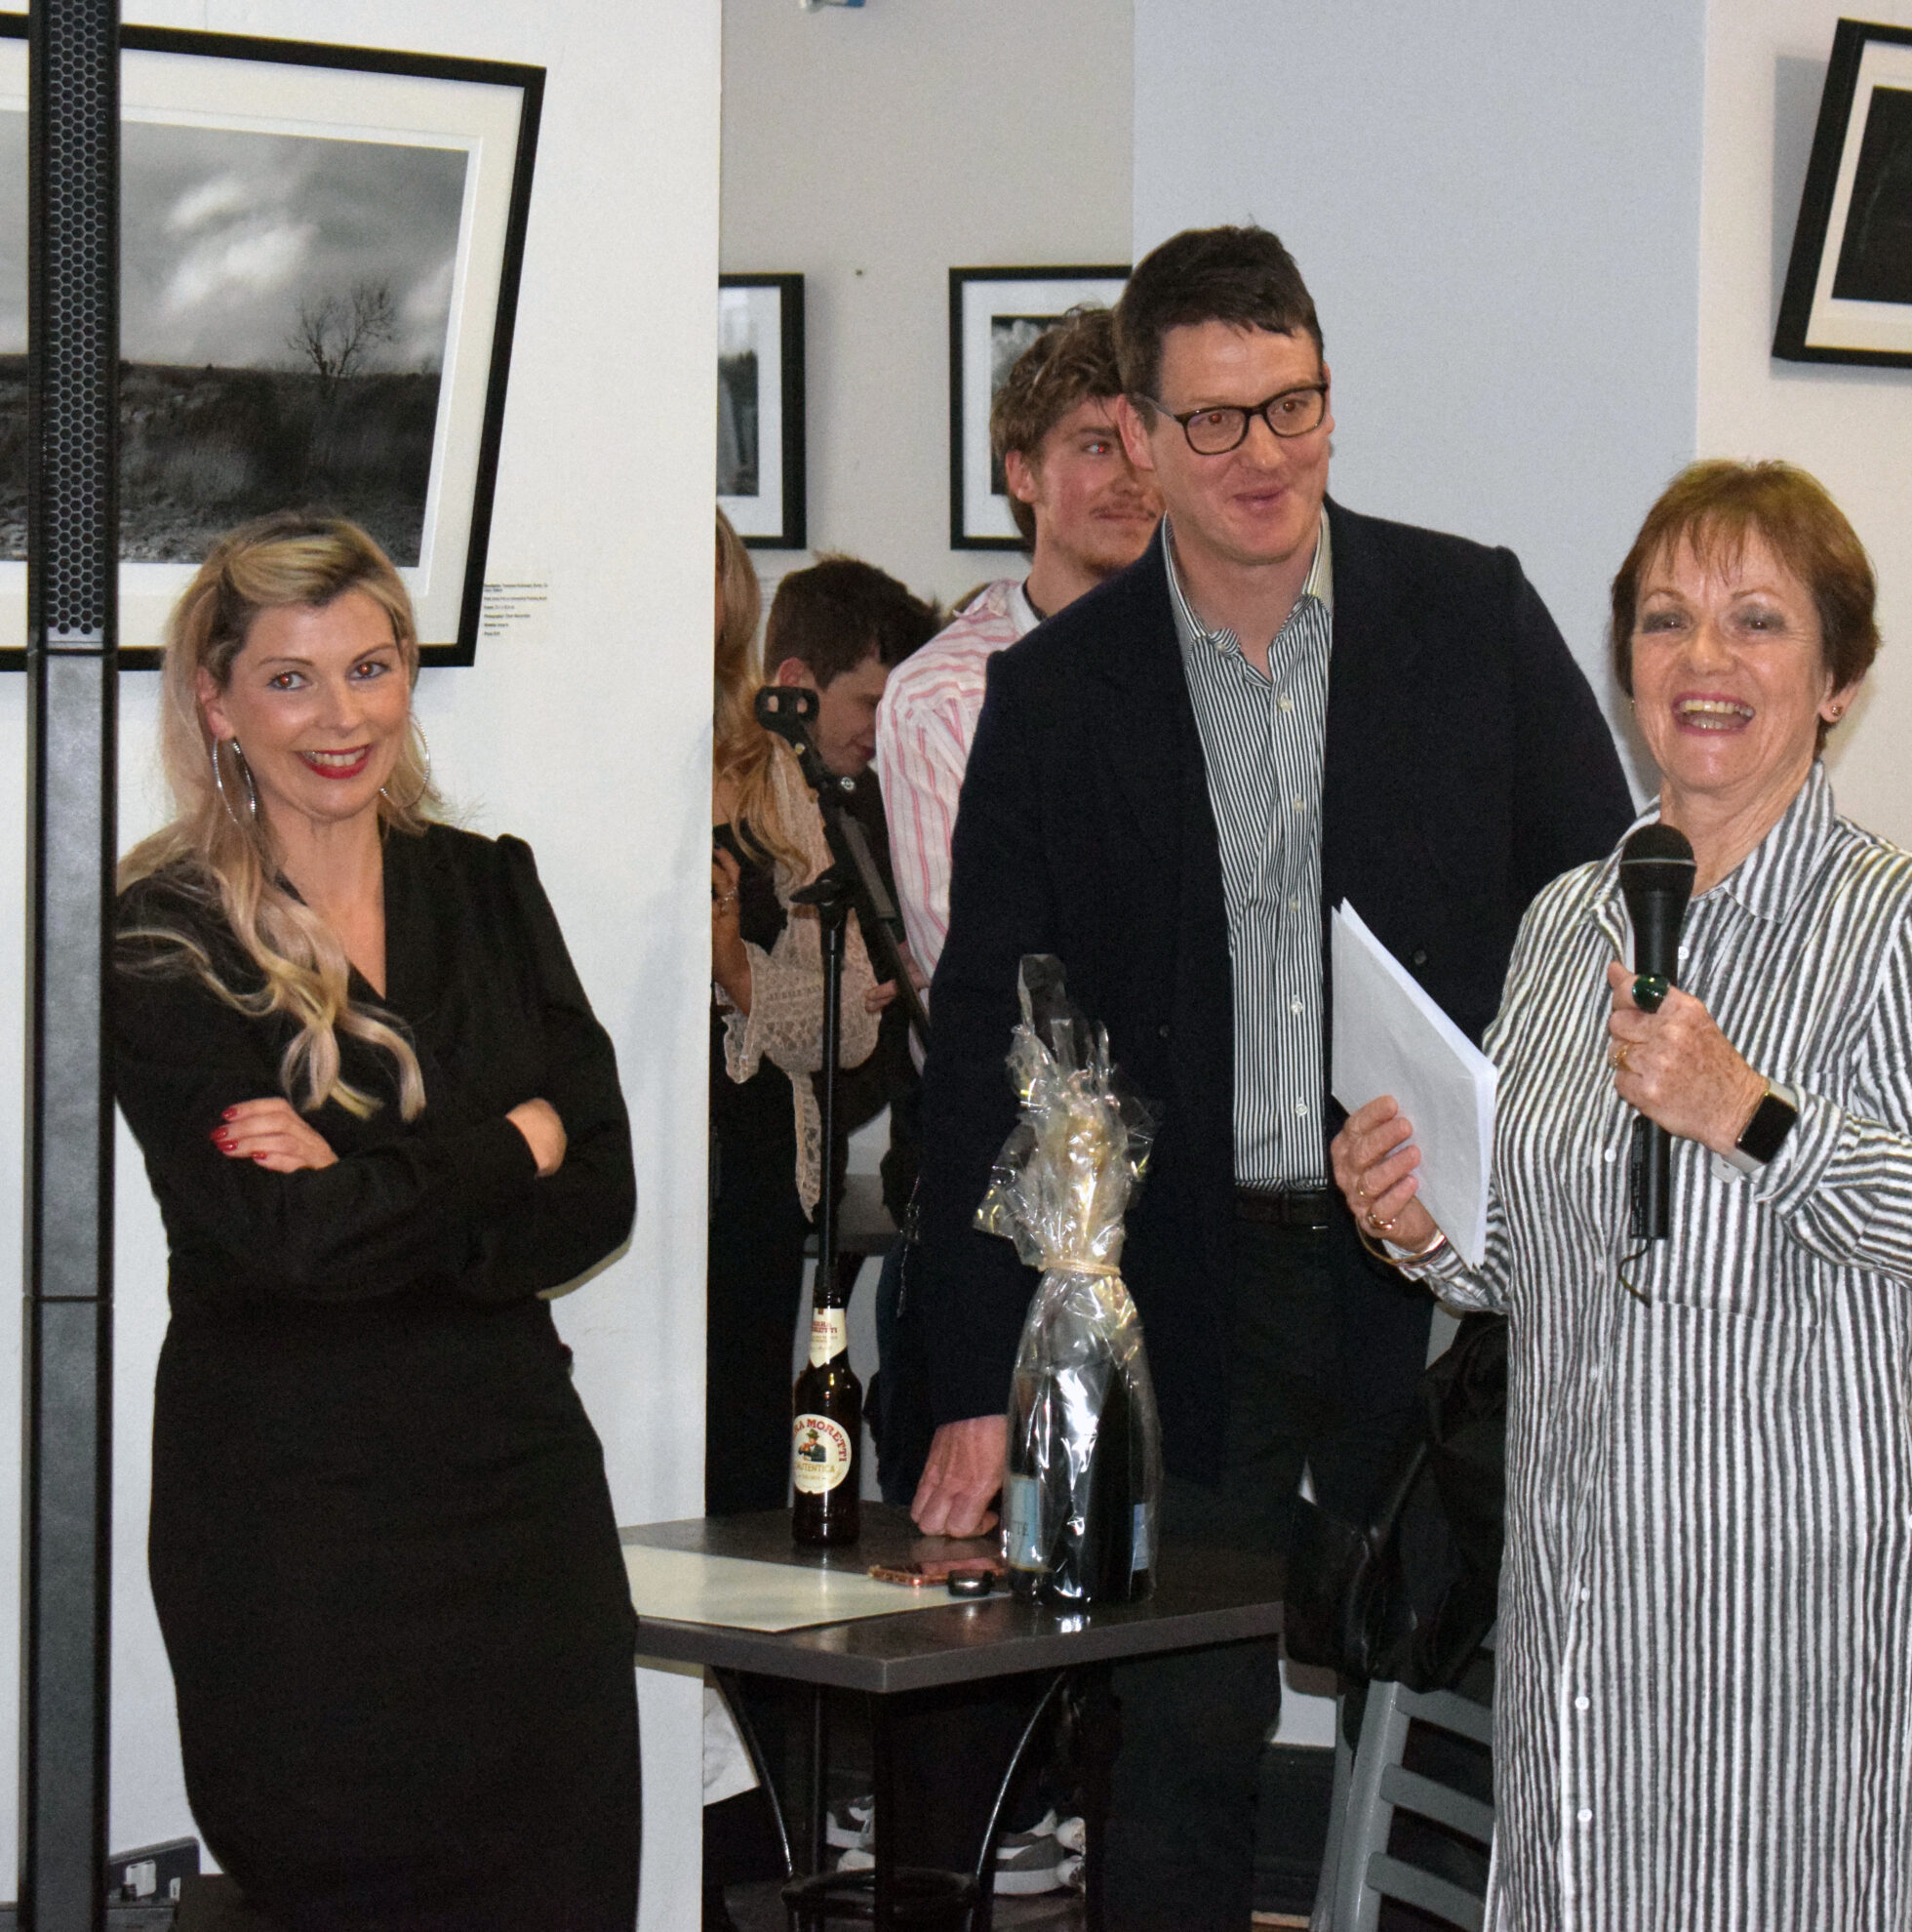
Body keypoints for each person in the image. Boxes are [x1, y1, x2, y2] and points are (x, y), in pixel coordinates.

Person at [910, 223, 1634, 1925]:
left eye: (1293, 406)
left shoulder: (1467, 612)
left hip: (1440, 1270)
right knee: (1180, 1732)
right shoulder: (1057, 693)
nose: (1264, 455)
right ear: (1139, 436)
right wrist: (968, 1371)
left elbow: (1599, 917)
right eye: (1216, 420)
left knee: (1489, 1699)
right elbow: (986, 1039)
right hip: (1186, 1284)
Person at [1334, 458, 1912, 1928]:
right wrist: (1419, 1222)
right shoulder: (1567, 920)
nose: (1703, 659)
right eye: (1666, 621)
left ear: (1838, 679)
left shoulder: (1906, 923)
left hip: (1800, 1622)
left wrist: (1756, 1117)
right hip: (1584, 1593)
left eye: (1757, 622)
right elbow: (1522, 1247)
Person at [109, 512, 640, 1928]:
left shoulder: (488, 885)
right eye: (290, 680)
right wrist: (504, 1145)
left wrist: (366, 1178)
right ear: (217, 701)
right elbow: (287, 1243)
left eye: (369, 667)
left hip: (516, 1494)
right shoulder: (164, 937)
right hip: (296, 1523)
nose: (341, 718)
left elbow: (598, 1187)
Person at [708, 549, 935, 1515]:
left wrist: (734, 971)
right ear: (796, 682)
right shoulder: (700, 785)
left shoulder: (819, 805)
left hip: (769, 1170)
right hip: (688, 1163)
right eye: (871, 703)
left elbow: (848, 1030)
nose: (882, 732)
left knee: (748, 1441)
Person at [879, 304, 1162, 986]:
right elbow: (975, 967)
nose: (1131, 478)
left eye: (1146, 447)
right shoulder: (940, 698)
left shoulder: (1221, 663)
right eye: (1098, 446)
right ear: (1023, 474)